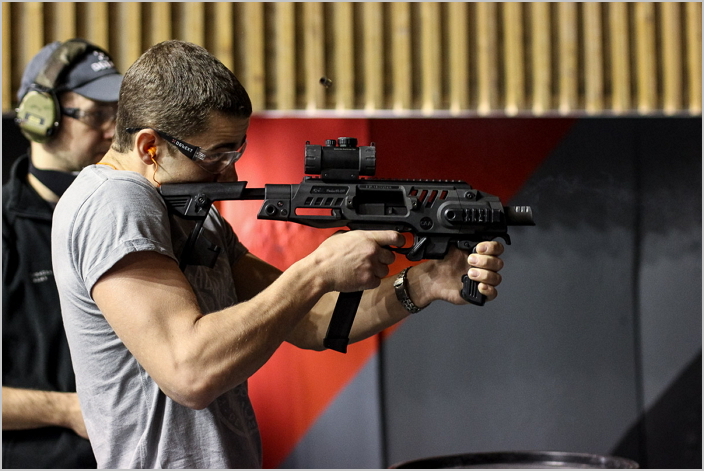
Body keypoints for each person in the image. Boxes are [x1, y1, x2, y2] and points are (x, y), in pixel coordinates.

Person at [51, 40, 505, 469]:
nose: (232, 172)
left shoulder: (190, 214)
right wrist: (318, 269)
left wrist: (425, 282)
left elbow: (311, 320)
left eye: (237, 151)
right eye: (217, 156)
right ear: (150, 147)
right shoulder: (115, 201)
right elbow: (189, 371)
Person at [2, 39, 122, 468]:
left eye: (118, 115)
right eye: (96, 115)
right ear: (41, 117)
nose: (113, 132)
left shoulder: (125, 218)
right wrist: (69, 410)